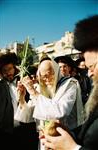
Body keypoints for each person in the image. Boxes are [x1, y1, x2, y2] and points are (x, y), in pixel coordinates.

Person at [43, 14, 98, 150]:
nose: (89, 73)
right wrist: (68, 134)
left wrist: (72, 148)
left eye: (92, 67)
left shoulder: (72, 83)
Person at [16, 54, 84, 150]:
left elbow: (60, 111)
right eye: (43, 76)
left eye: (49, 74)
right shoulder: (41, 87)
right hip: (44, 139)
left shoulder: (69, 84)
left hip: (64, 138)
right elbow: (29, 116)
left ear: (56, 71)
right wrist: (22, 99)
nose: (46, 79)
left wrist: (34, 93)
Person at [0, 52, 38, 149]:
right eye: (4, 70)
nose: (8, 73)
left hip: (26, 129)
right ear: (1, 72)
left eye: (10, 69)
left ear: (15, 68)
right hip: (5, 132)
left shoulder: (25, 82)